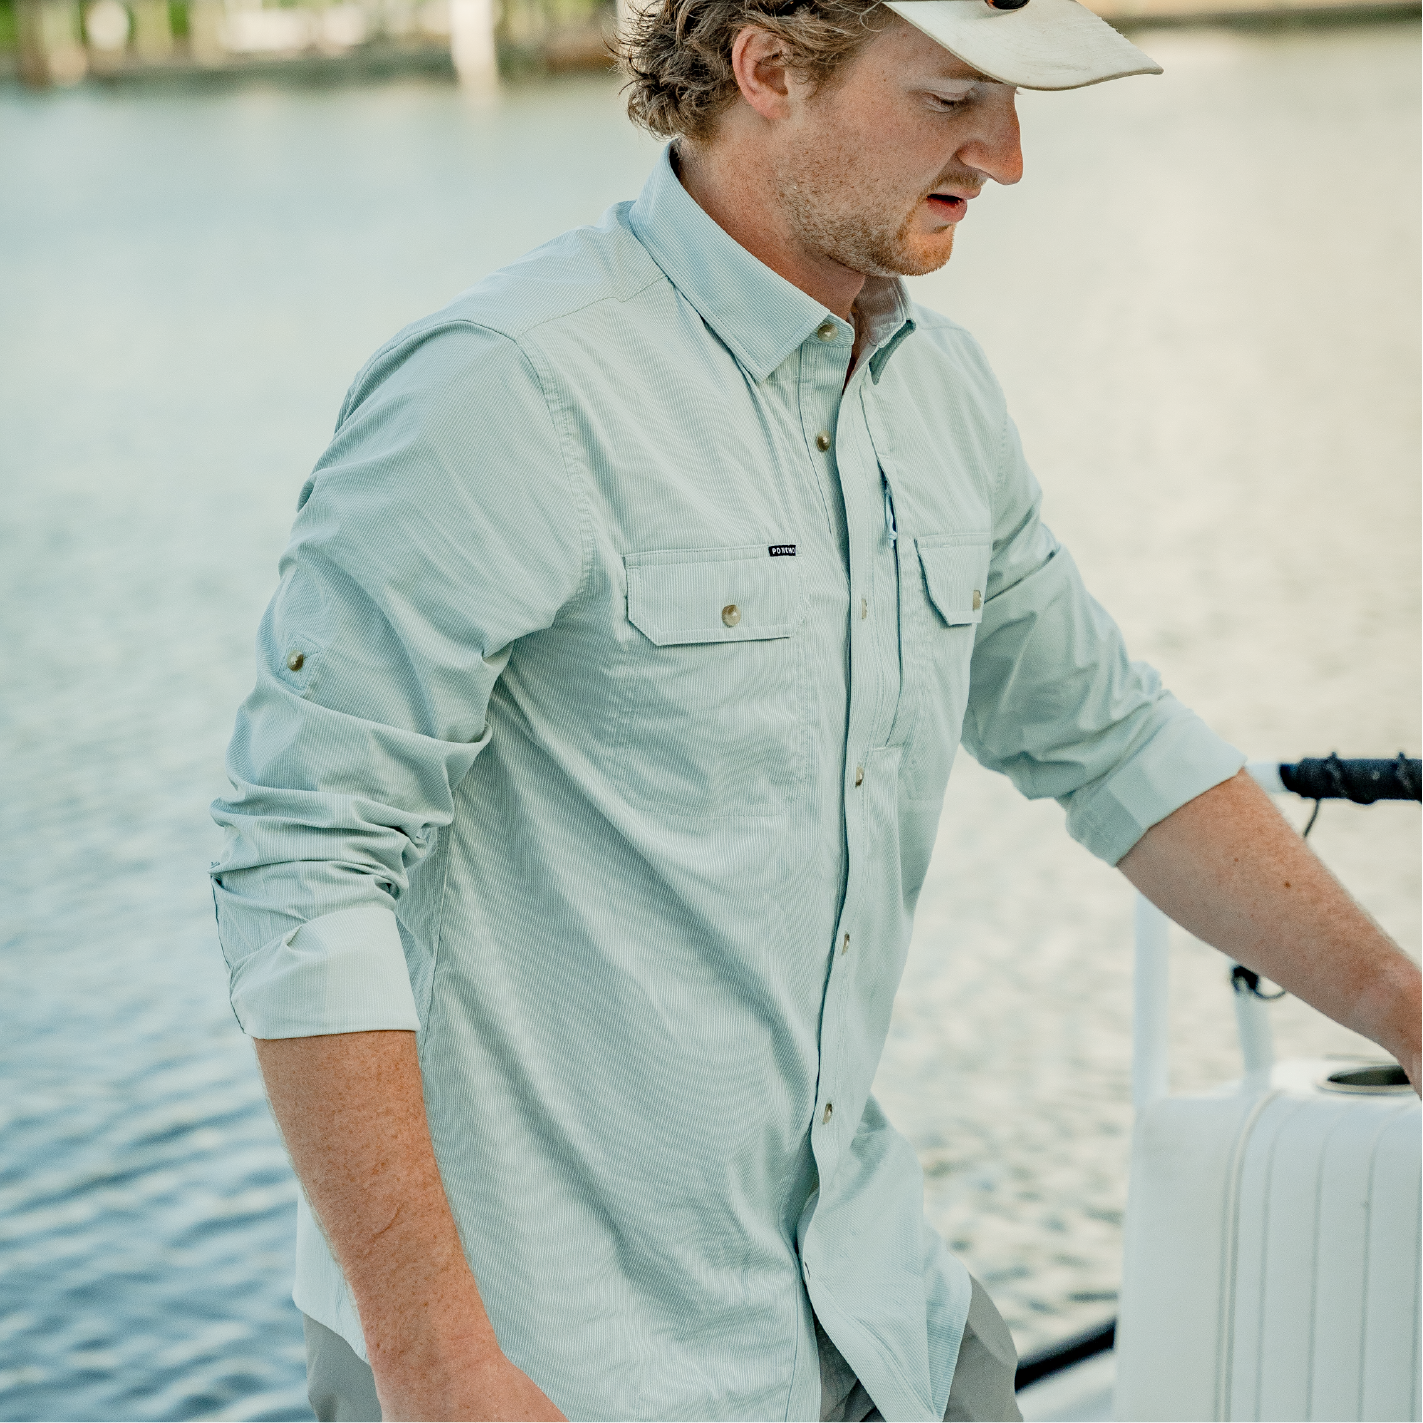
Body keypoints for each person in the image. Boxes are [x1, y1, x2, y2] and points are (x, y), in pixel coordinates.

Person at [209, 1, 1423, 1419]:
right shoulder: (508, 384)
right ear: (767, 67)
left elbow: (1110, 741)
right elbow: (299, 860)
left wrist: (1406, 1007)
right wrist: (433, 1364)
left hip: (867, 1319)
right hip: (539, 1357)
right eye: (952, 98)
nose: (1009, 157)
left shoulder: (941, 396)